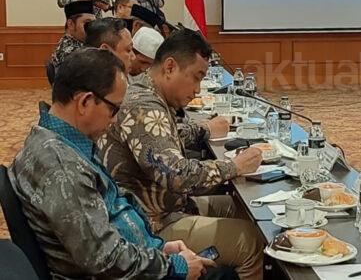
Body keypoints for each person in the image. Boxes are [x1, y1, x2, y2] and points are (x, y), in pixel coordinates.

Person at [9, 48, 237, 279]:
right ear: (85, 102)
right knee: (225, 272)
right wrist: (174, 265)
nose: (116, 119)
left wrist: (159, 248)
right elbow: (105, 259)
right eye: (114, 109)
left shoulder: (59, 140)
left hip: (137, 253)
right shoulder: (62, 167)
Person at [99, 29, 264, 280]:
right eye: (196, 78)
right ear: (170, 67)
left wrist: (204, 130)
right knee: (250, 240)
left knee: (243, 207)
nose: (197, 89)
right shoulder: (143, 104)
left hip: (167, 206)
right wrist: (234, 166)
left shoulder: (147, 92)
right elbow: (176, 175)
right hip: (151, 225)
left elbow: (165, 136)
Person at [49, 0, 96, 76]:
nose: (92, 28)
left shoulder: (82, 44)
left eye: (93, 23)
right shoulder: (69, 52)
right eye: (87, 23)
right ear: (70, 24)